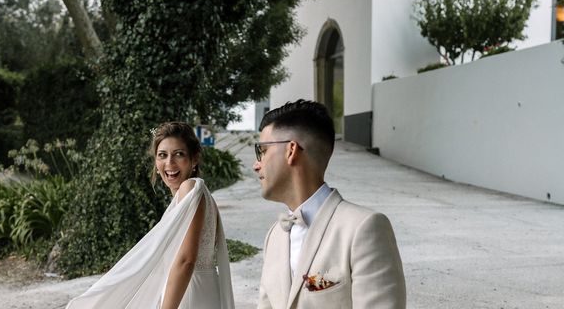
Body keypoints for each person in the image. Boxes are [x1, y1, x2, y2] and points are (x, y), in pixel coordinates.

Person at [255, 100, 406, 309]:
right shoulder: (274, 236)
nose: (257, 164)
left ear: (291, 150)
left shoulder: (364, 228)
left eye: (262, 151)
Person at [66, 122, 234, 309]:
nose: (169, 163)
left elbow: (186, 260)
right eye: (162, 155)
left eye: (179, 154)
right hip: (201, 291)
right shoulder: (198, 195)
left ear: (194, 159)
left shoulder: (191, 188)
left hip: (190, 294)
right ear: (155, 161)